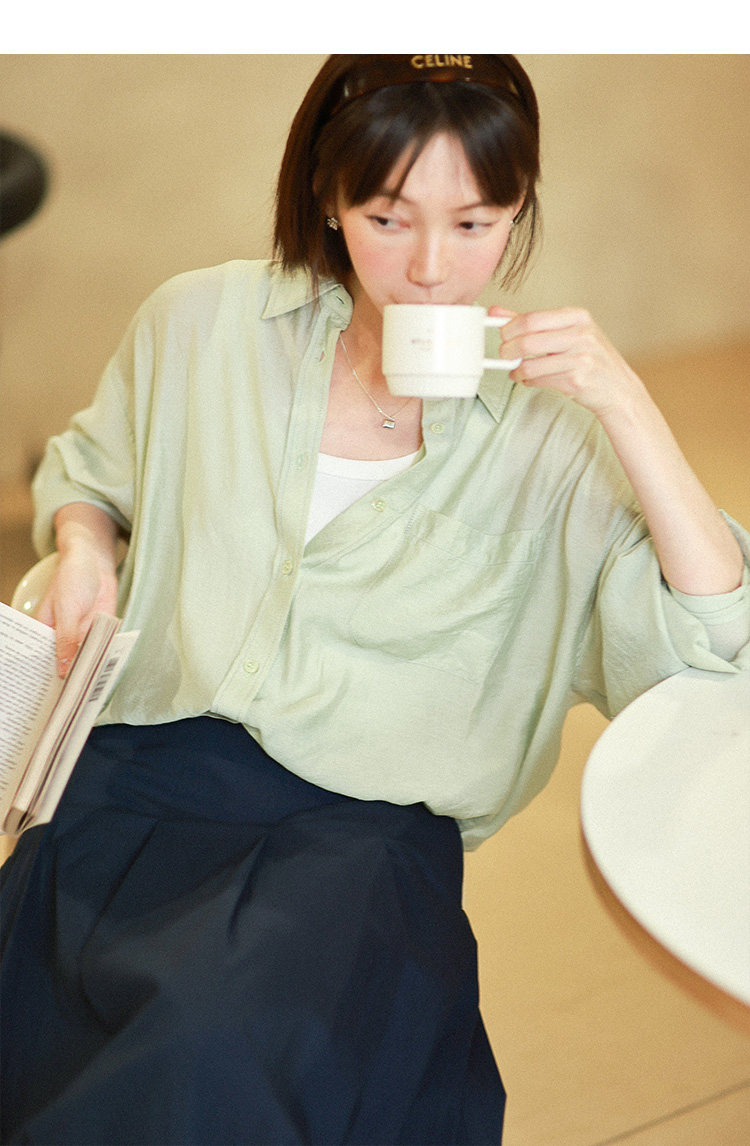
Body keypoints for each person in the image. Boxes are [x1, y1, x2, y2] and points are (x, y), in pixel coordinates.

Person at [1, 54, 748, 1146]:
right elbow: (92, 469)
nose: (433, 270)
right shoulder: (199, 322)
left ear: (519, 211)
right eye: (389, 219)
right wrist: (83, 546)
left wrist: (627, 406)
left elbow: (714, 640)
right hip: (125, 780)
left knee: (210, 1058)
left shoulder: (554, 435)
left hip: (358, 843)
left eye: (476, 223)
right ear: (328, 196)